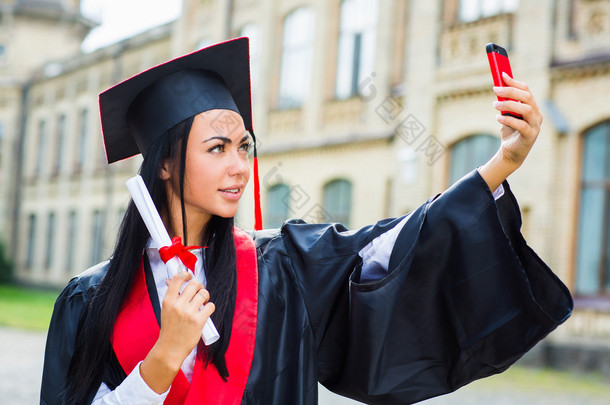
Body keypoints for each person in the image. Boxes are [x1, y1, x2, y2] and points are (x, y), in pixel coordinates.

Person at [40, 37, 572, 405]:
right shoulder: (92, 298)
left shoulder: (281, 269)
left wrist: (502, 163)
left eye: (243, 146)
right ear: (164, 163)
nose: (238, 166)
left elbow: (392, 247)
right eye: (217, 147)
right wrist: (163, 358)